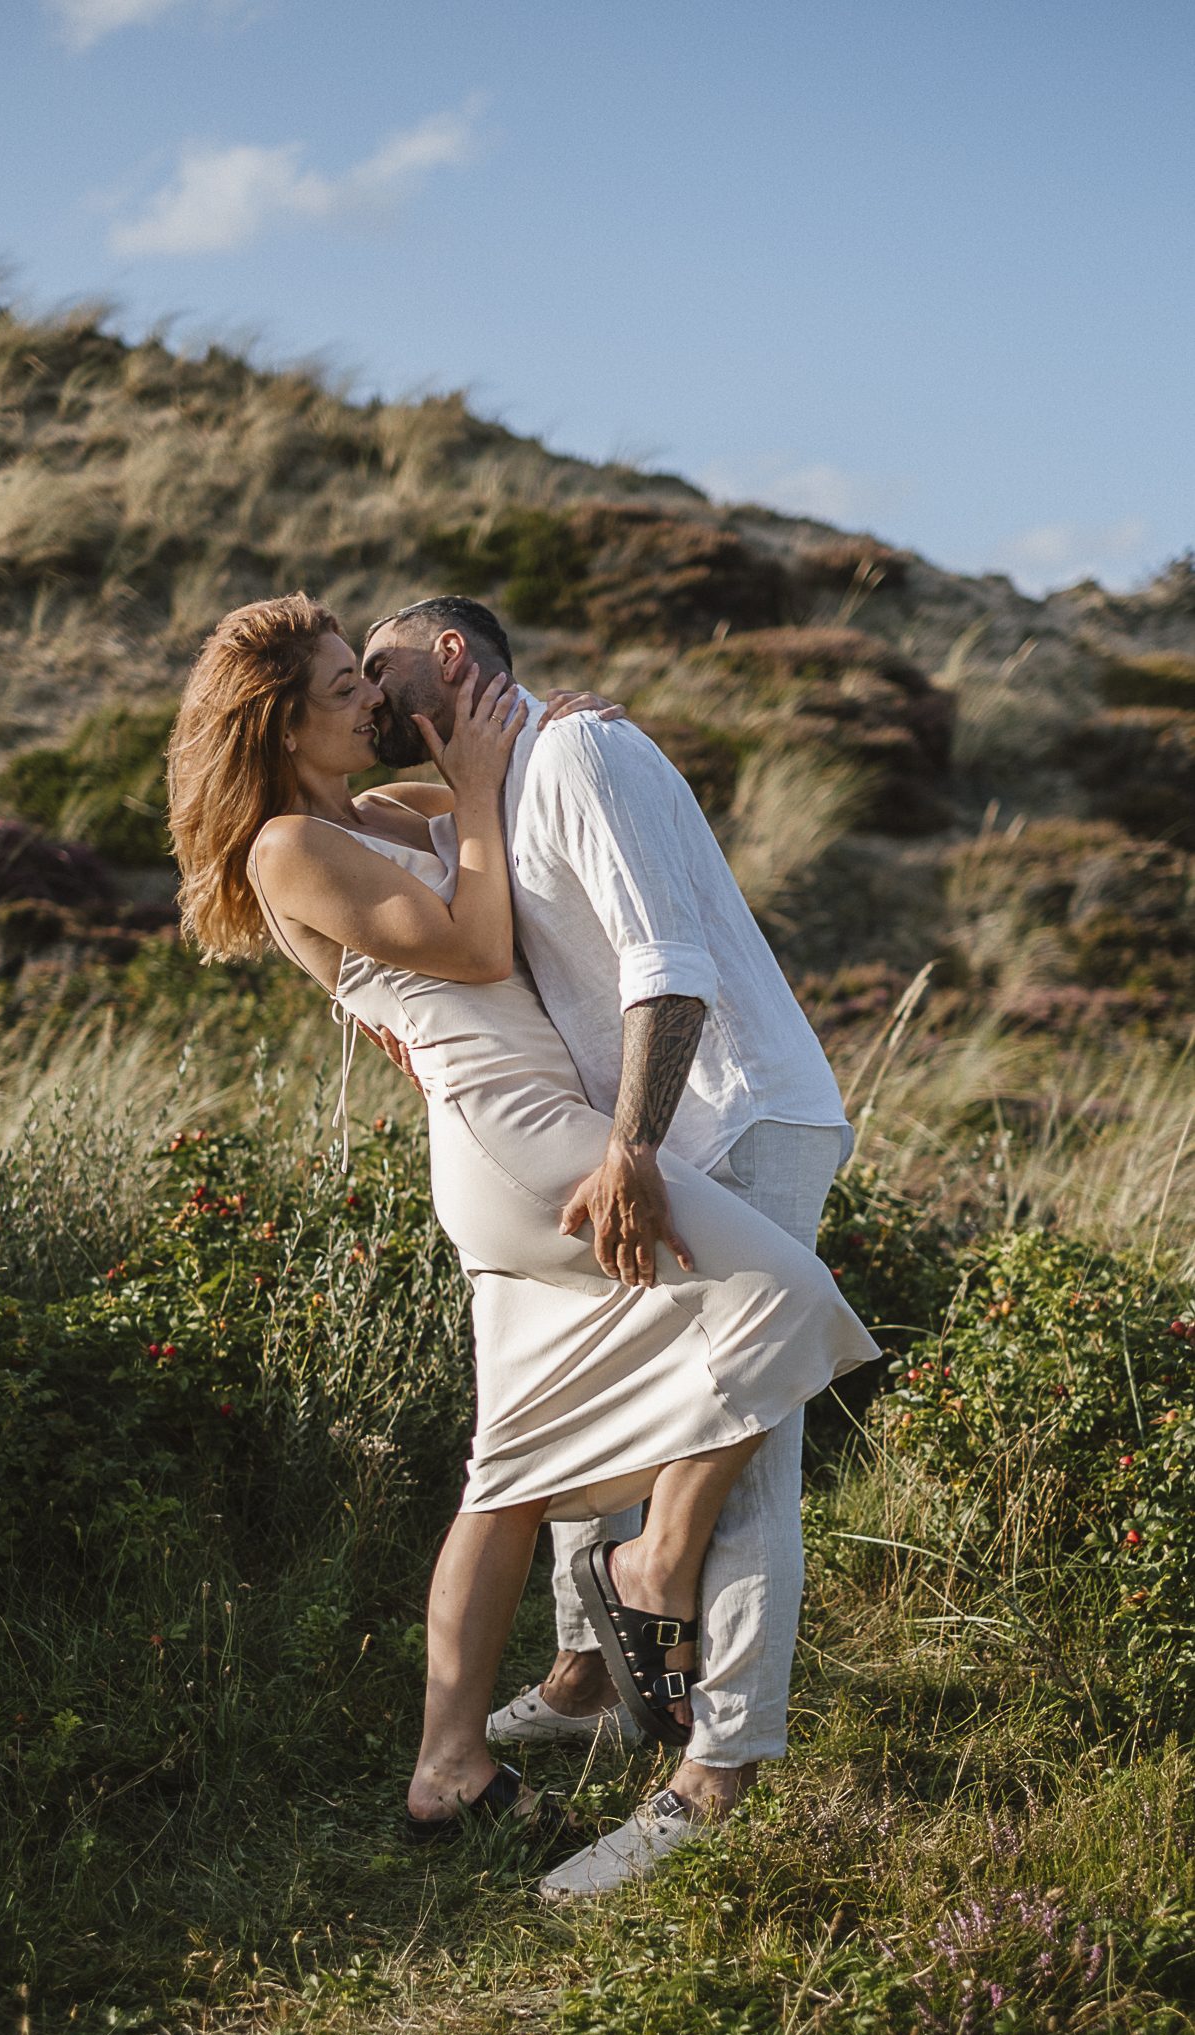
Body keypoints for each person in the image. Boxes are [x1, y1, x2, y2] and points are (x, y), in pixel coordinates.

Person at [168, 592, 878, 1869]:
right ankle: (653, 1567)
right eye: (341, 688)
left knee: (508, 1468)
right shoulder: (287, 846)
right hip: (517, 1131)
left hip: (517, 1125)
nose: (366, 703)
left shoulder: (371, 813)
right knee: (779, 1292)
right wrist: (490, 787)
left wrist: (555, 728)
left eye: (364, 674)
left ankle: (452, 1763)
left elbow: (510, 783)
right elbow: (481, 941)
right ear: (280, 724)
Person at [360, 595, 864, 1901]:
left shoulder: (580, 755)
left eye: (380, 664)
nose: (363, 692)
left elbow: (669, 967)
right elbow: (335, 838)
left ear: (451, 657)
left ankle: (716, 1779)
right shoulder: (498, 781)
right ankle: (588, 1682)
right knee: (628, 1407)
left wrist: (631, 1150)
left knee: (743, 1445)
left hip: (732, 1116)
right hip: (644, 1139)